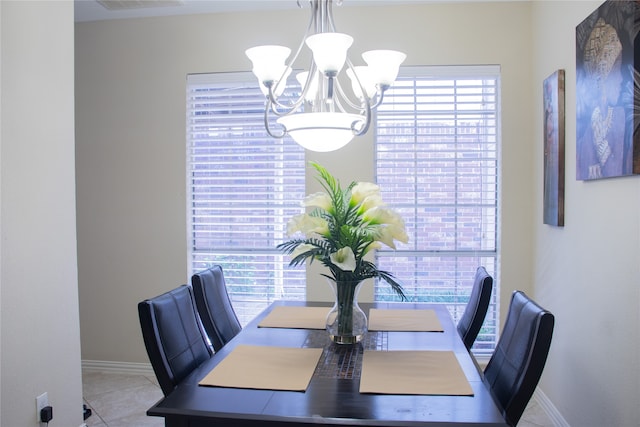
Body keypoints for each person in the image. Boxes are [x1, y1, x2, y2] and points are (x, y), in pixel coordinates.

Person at [577, 18, 628, 180]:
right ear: (602, 78)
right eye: (617, 71)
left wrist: (602, 148)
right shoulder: (586, 134)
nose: (622, 79)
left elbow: (619, 169)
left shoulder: (621, 118)